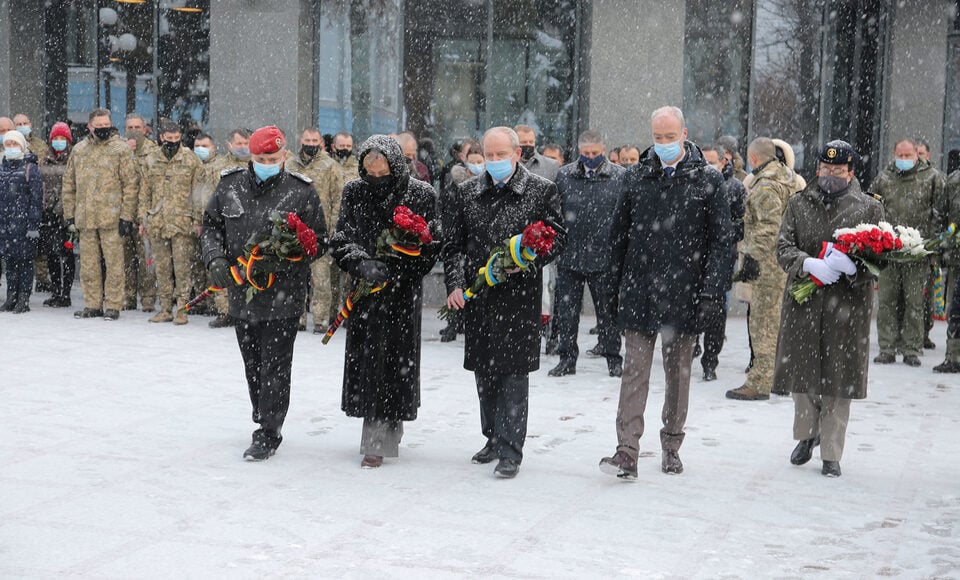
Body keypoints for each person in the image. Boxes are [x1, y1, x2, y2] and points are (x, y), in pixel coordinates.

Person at [599, 106, 732, 479]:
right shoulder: (636, 177)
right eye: (657, 138)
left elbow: (722, 243)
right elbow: (618, 236)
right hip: (641, 289)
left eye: (670, 137)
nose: (663, 144)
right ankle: (627, 449)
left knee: (678, 375)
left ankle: (672, 443)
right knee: (634, 371)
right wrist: (612, 288)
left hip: (684, 293)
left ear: (684, 133)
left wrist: (710, 294)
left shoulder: (707, 180)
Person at [443, 126, 564, 479]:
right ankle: (492, 437)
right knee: (485, 372)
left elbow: (557, 237)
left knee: (512, 373)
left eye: (500, 155)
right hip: (479, 298)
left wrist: (524, 260)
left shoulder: (541, 190)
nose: (494, 161)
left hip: (518, 299)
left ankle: (511, 448)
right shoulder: (466, 193)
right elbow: (453, 245)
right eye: (488, 155)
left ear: (516, 154)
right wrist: (454, 285)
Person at [201, 125, 327, 461]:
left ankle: (269, 430)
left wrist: (285, 258)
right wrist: (215, 259)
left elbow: (319, 241)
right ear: (250, 157)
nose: (266, 162)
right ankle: (262, 411)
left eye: (272, 157)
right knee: (252, 363)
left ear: (284, 155)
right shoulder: (229, 186)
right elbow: (211, 226)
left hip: (283, 296)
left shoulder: (301, 192)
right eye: (260, 158)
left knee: (276, 365)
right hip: (242, 296)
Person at [773, 140, 883, 478]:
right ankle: (807, 435)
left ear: (851, 172)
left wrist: (856, 269)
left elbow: (881, 256)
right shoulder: (798, 203)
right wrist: (806, 264)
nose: (830, 176)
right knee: (802, 374)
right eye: (825, 169)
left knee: (839, 378)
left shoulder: (868, 209)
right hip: (805, 302)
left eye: (837, 171)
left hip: (847, 307)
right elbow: (782, 246)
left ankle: (832, 452)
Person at [329, 135, 439, 468]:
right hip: (366, 294)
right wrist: (360, 262)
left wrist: (401, 266)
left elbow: (432, 244)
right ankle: (374, 436)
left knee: (396, 366)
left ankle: (389, 428)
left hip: (402, 296)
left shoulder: (421, 194)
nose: (375, 178)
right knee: (370, 366)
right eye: (369, 172)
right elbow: (341, 237)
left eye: (382, 171)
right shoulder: (354, 191)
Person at [726, 137, 799, 400]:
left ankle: (760, 382)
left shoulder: (766, 186)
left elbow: (768, 227)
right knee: (777, 323)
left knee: (763, 325)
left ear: (754, 158)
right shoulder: (785, 178)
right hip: (782, 260)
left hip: (768, 264)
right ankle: (779, 377)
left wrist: (753, 259)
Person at [548, 130, 625, 378]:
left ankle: (614, 359)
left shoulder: (619, 177)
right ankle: (567, 359)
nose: (590, 158)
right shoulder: (565, 176)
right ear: (579, 152)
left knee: (607, 314)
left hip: (604, 258)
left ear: (603, 150)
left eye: (594, 153)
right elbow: (555, 213)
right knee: (567, 313)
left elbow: (624, 217)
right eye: (585, 154)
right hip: (571, 255)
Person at [869, 138, 946, 366]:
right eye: (899, 156)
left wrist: (931, 242)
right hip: (890, 251)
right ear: (894, 154)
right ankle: (887, 348)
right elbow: (872, 203)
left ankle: (911, 348)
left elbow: (940, 210)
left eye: (908, 156)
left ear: (916, 155)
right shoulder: (884, 178)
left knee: (914, 301)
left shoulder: (931, 177)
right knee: (887, 302)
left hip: (917, 251)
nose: (903, 160)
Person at [62, 108, 140, 321]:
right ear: (90, 126)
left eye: (107, 125)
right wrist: (70, 214)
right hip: (86, 218)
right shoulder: (79, 150)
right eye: (99, 126)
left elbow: (131, 185)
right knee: (88, 265)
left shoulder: (120, 149)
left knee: (114, 263)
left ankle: (114, 305)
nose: (104, 129)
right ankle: (93, 304)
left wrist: (127, 216)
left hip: (112, 218)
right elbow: (69, 184)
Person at [138, 121, 202, 325]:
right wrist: (142, 219)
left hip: (182, 222)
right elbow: (144, 192)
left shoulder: (191, 160)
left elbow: (198, 194)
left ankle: (182, 309)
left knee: (183, 268)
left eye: (176, 139)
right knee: (162, 268)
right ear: (161, 138)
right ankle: (165, 308)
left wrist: (197, 220)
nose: (173, 143)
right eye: (169, 139)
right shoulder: (151, 160)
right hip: (158, 221)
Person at [287, 127, 345, 334]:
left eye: (314, 140)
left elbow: (338, 198)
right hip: (294, 231)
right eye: (307, 140)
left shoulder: (330, 166)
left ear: (320, 143)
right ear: (301, 140)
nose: (310, 144)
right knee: (295, 277)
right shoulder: (289, 165)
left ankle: (320, 319)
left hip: (320, 231)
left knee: (321, 279)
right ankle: (298, 317)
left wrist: (334, 227)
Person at [698, 143, 746, 381]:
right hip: (692, 258)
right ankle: (692, 346)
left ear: (722, 162)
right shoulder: (691, 184)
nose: (707, 166)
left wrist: (723, 232)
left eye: (711, 161)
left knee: (716, 315)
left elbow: (742, 223)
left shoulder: (735, 187)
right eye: (703, 160)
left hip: (721, 258)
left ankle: (710, 361)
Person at [191, 130, 248, 328]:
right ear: (229, 144)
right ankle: (225, 311)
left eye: (246, 142)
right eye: (238, 142)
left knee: (245, 268)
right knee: (222, 266)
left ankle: (244, 311)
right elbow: (205, 197)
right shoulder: (219, 167)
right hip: (223, 223)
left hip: (247, 225)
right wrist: (201, 221)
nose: (242, 146)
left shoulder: (256, 166)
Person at [439, 141, 483, 343]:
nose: (476, 165)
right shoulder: (455, 182)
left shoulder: (487, 184)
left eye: (479, 161)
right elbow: (447, 209)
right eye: (472, 161)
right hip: (460, 241)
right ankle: (453, 323)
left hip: (477, 245)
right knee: (456, 283)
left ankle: (468, 321)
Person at [0, 129, 43, 313]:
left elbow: (36, 199)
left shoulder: (30, 168)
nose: (11, 148)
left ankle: (23, 297)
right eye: (8, 144)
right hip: (5, 223)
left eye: (14, 144)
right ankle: (11, 296)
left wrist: (33, 225)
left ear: (22, 146)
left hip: (23, 224)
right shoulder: (1, 167)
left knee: (25, 261)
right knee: (10, 262)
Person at [122, 113, 159, 312]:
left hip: (145, 213)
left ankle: (147, 298)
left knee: (146, 260)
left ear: (144, 129)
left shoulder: (154, 152)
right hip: (122, 212)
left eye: (137, 127)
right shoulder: (118, 150)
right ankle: (128, 296)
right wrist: (125, 153)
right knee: (125, 259)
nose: (134, 131)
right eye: (130, 127)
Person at [39, 122, 76, 308]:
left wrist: (64, 209)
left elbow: (73, 188)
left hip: (66, 214)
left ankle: (66, 294)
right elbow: (41, 187)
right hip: (48, 215)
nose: (59, 142)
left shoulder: (74, 159)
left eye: (62, 138)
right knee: (51, 254)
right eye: (56, 138)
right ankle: (55, 291)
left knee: (66, 254)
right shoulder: (44, 159)